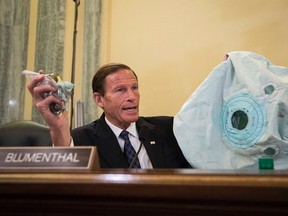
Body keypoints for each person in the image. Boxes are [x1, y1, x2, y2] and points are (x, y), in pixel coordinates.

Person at [27, 63, 191, 168]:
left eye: (134, 88)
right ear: (99, 99)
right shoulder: (82, 140)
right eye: (120, 90)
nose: (132, 96)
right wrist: (58, 127)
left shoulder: (167, 129)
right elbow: (64, 183)